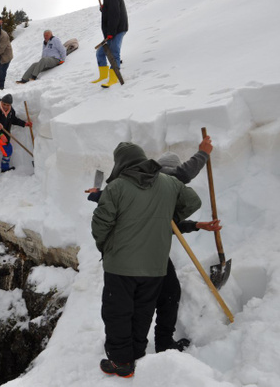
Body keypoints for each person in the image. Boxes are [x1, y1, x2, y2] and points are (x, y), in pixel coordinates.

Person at [86, 136, 217, 354]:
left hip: (135, 258)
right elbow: (185, 183)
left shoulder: (136, 185)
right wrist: (203, 153)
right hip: (150, 259)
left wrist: (195, 225)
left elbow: (109, 219)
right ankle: (142, 349)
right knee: (146, 306)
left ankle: (129, 355)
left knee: (129, 307)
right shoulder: (166, 180)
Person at [0, 94, 32, 181]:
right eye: (4, 104)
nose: (5, 106)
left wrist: (24, 124)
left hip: (3, 135)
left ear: (10, 105)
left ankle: (5, 168)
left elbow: (13, 120)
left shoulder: (11, 111)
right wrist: (0, 134)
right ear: (1, 102)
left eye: (7, 105)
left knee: (8, 150)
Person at [92, 0, 128, 87]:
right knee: (100, 53)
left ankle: (114, 78)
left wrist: (111, 32)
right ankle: (103, 76)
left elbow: (114, 14)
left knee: (114, 53)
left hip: (117, 29)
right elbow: (110, 11)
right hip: (112, 31)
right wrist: (104, 9)